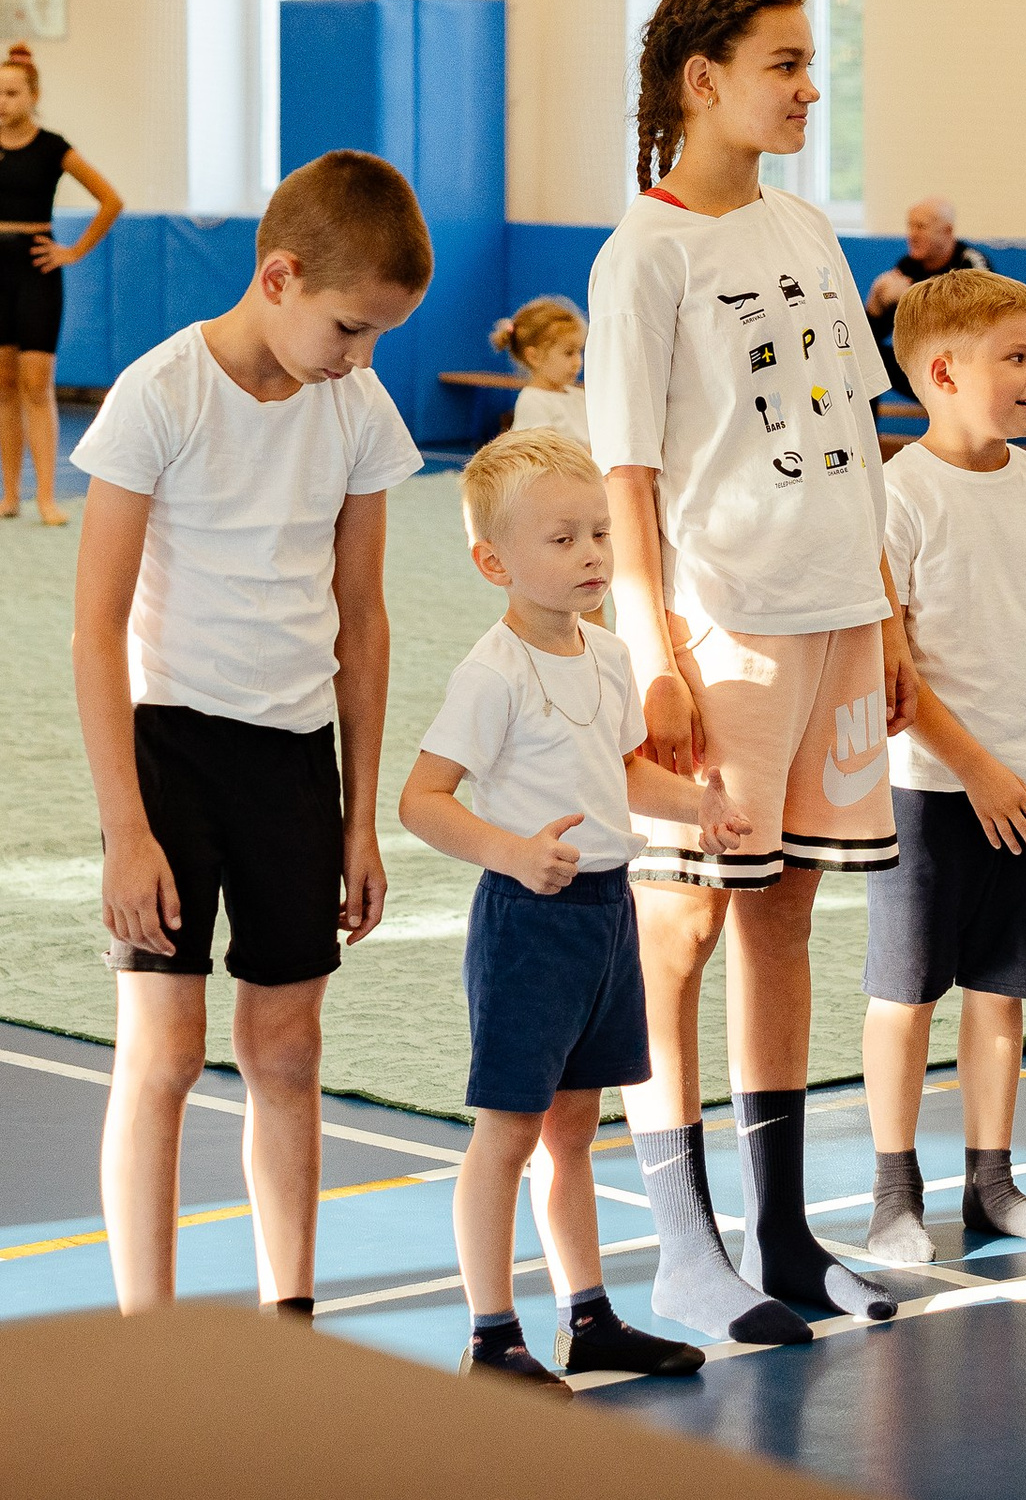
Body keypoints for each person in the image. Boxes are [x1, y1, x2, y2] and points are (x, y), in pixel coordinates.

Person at [587, 0, 911, 1346]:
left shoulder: (808, 228)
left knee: (787, 916)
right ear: (700, 79)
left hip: (840, 617)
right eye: (785, 62)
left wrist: (887, 609)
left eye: (811, 60)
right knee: (686, 921)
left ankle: (781, 1235)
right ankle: (683, 1245)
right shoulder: (642, 256)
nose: (810, 87)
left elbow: (856, 444)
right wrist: (653, 650)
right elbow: (627, 484)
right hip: (720, 629)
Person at [69, 149, 430, 1317]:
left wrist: (359, 813)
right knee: (165, 1057)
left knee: (286, 1052)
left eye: (378, 335)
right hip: (172, 752)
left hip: (292, 759)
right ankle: (150, 1332)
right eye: (347, 326)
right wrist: (125, 828)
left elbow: (363, 619)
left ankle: (290, 1313)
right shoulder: (159, 394)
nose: (359, 354)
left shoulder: (356, 407)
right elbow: (95, 629)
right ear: (277, 276)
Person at [397, 431, 748, 1393]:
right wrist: (513, 853)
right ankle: (490, 1333)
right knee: (508, 1131)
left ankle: (586, 1315)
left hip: (605, 914)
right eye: (563, 540)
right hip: (528, 923)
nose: (594, 553)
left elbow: (624, 771)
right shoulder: (493, 671)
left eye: (599, 532)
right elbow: (422, 799)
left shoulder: (608, 653)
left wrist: (700, 806)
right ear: (494, 562)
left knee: (574, 1129)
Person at [861, 271, 1026, 1263]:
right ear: (941, 371)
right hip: (925, 786)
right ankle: (892, 1194)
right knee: (907, 992)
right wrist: (974, 764)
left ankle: (991, 1181)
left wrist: (1010, 738)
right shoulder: (896, 493)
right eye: (1014, 358)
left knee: (998, 992)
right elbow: (893, 669)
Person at [0, 44, 123, 526]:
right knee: (3, 385)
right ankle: (9, 495)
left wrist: (71, 251)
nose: (1, 102)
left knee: (37, 385)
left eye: (11, 93)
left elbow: (110, 199)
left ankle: (46, 496)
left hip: (37, 270)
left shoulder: (53, 148)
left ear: (33, 95)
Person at [865, 199, 990, 397]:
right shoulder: (909, 266)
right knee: (866, 358)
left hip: (967, 372)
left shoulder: (971, 263)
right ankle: (866, 429)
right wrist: (875, 305)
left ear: (947, 231)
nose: (912, 235)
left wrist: (913, 296)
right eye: (910, 226)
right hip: (926, 364)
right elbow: (874, 337)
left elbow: (976, 326)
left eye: (921, 227)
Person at [492, 295, 589, 443]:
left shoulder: (579, 396)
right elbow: (546, 456)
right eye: (569, 353)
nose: (578, 362)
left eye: (579, 352)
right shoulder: (533, 401)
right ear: (534, 357)